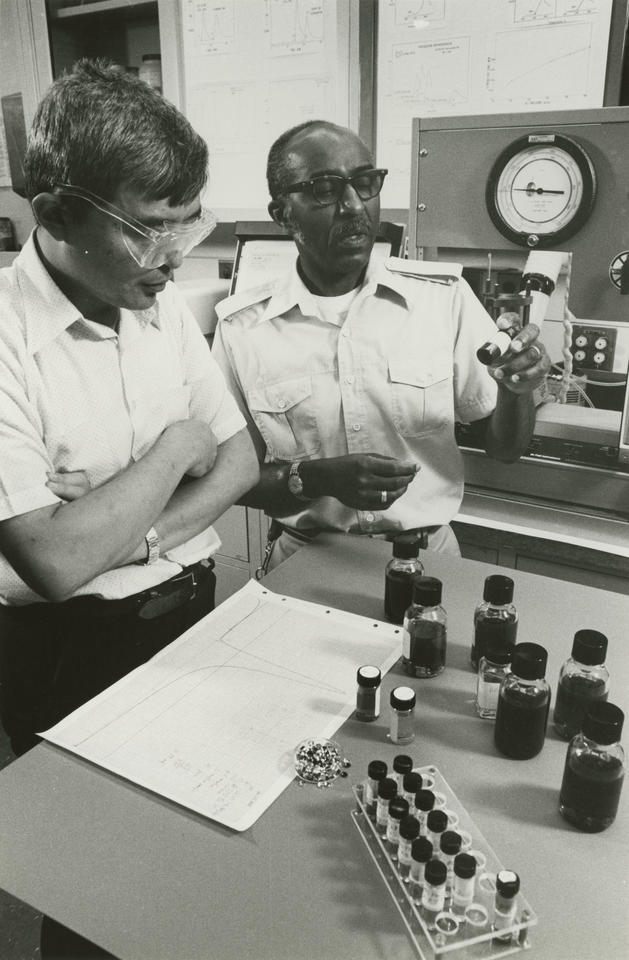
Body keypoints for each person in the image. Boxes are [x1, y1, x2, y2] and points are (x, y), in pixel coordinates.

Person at [0, 58, 259, 758]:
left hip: (188, 613)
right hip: (69, 651)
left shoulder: (153, 301)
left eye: (186, 227)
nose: (173, 260)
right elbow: (54, 562)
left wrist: (122, 532)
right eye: (148, 230)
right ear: (55, 213)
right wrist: (176, 450)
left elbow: (240, 462)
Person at [212, 119, 550, 570]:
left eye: (365, 183)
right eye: (326, 189)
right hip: (307, 559)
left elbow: (505, 449)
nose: (354, 206)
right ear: (283, 214)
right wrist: (312, 478)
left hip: (429, 560)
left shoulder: (442, 299)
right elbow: (229, 480)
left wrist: (517, 392)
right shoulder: (242, 329)